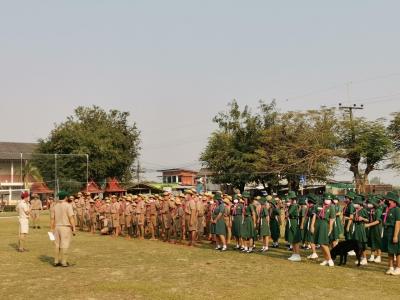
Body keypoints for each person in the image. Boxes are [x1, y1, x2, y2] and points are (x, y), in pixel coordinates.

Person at [50, 191, 76, 267]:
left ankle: (56, 261)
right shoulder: (68, 205)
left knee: (56, 244)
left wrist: (51, 229)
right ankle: (64, 262)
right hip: (65, 227)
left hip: (56, 227)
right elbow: (71, 218)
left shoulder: (55, 206)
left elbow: (52, 219)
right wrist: (74, 228)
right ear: (66, 197)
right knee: (64, 244)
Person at [312, 193, 335, 267]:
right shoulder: (318, 205)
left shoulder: (331, 207)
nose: (328, 200)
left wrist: (331, 228)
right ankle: (326, 259)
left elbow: (332, 218)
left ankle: (330, 259)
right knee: (320, 243)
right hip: (318, 223)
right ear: (323, 199)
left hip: (325, 224)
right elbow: (314, 216)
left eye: (329, 199)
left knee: (323, 243)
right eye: (326, 199)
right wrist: (312, 225)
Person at [382, 192, 400, 275]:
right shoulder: (387, 209)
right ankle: (391, 267)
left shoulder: (397, 209)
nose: (387, 201)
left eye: (388, 199)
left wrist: (395, 235)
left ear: (393, 201)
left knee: (397, 251)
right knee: (390, 251)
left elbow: (397, 223)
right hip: (387, 231)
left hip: (394, 231)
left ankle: (398, 268)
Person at [352, 195, 369, 265]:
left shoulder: (363, 210)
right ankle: (360, 258)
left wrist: (363, 219)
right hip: (356, 227)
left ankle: (365, 258)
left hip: (361, 228)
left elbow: (368, 220)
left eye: (356, 203)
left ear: (359, 204)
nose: (354, 204)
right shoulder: (356, 210)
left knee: (361, 244)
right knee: (357, 244)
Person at [365, 196, 383, 263]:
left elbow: (378, 221)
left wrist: (369, 225)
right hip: (372, 228)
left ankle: (379, 256)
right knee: (372, 241)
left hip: (377, 228)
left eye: (371, 203)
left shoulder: (378, 211)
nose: (369, 204)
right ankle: (372, 255)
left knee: (377, 242)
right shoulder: (371, 210)